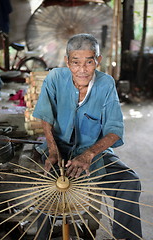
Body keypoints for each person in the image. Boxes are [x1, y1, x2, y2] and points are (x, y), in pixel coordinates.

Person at [33, 33, 142, 240]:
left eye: (89, 62)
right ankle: (42, 236)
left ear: (98, 61)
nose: (82, 69)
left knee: (130, 182)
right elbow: (45, 116)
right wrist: (53, 150)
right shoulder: (55, 78)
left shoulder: (106, 84)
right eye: (75, 62)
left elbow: (115, 130)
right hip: (58, 148)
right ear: (67, 61)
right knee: (47, 183)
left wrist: (89, 154)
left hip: (93, 152)